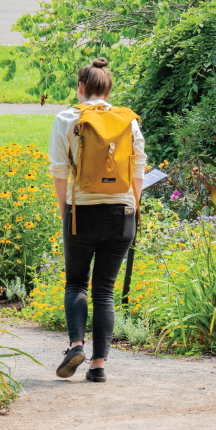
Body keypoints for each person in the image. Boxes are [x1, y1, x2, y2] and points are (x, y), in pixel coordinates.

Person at [50, 58, 146, 383]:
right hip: (123, 214)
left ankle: (76, 344)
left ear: (81, 88)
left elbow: (59, 170)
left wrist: (66, 212)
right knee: (104, 290)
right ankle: (98, 365)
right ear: (109, 90)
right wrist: (134, 206)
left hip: (82, 212)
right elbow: (138, 167)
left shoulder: (67, 118)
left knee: (76, 282)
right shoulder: (128, 121)